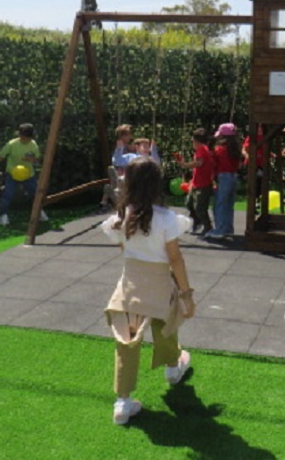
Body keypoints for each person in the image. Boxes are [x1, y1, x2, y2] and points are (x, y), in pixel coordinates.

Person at [100, 157, 196, 425]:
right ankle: (172, 369)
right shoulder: (167, 219)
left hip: (130, 285)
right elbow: (175, 259)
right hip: (160, 284)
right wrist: (187, 294)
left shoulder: (120, 219)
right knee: (166, 327)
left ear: (128, 184)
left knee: (127, 341)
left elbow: (125, 252)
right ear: (157, 185)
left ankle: (123, 401)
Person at [0, 122, 48, 226]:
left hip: (28, 174)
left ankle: (39, 213)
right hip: (12, 173)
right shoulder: (12, 144)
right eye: (24, 137)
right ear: (20, 135)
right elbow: (1, 156)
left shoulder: (33, 144)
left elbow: (37, 158)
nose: (26, 140)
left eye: (28, 138)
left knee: (35, 195)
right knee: (7, 195)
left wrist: (32, 159)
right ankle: (3, 216)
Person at [176, 128, 214, 235]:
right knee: (189, 203)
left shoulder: (201, 149)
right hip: (197, 182)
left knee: (200, 207)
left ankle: (208, 227)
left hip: (202, 184)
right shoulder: (204, 149)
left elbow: (199, 163)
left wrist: (184, 164)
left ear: (195, 141)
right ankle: (197, 222)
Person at [205, 123, 240, 240]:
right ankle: (228, 228)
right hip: (233, 176)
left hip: (223, 177)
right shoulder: (235, 149)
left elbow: (214, 163)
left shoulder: (219, 149)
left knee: (219, 204)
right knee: (228, 204)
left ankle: (219, 229)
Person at [101, 124, 135, 210]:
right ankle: (111, 195)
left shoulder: (129, 146)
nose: (130, 136)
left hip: (127, 169)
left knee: (117, 183)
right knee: (120, 181)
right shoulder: (120, 146)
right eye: (127, 135)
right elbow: (116, 159)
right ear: (122, 136)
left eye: (130, 134)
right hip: (122, 169)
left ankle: (105, 199)